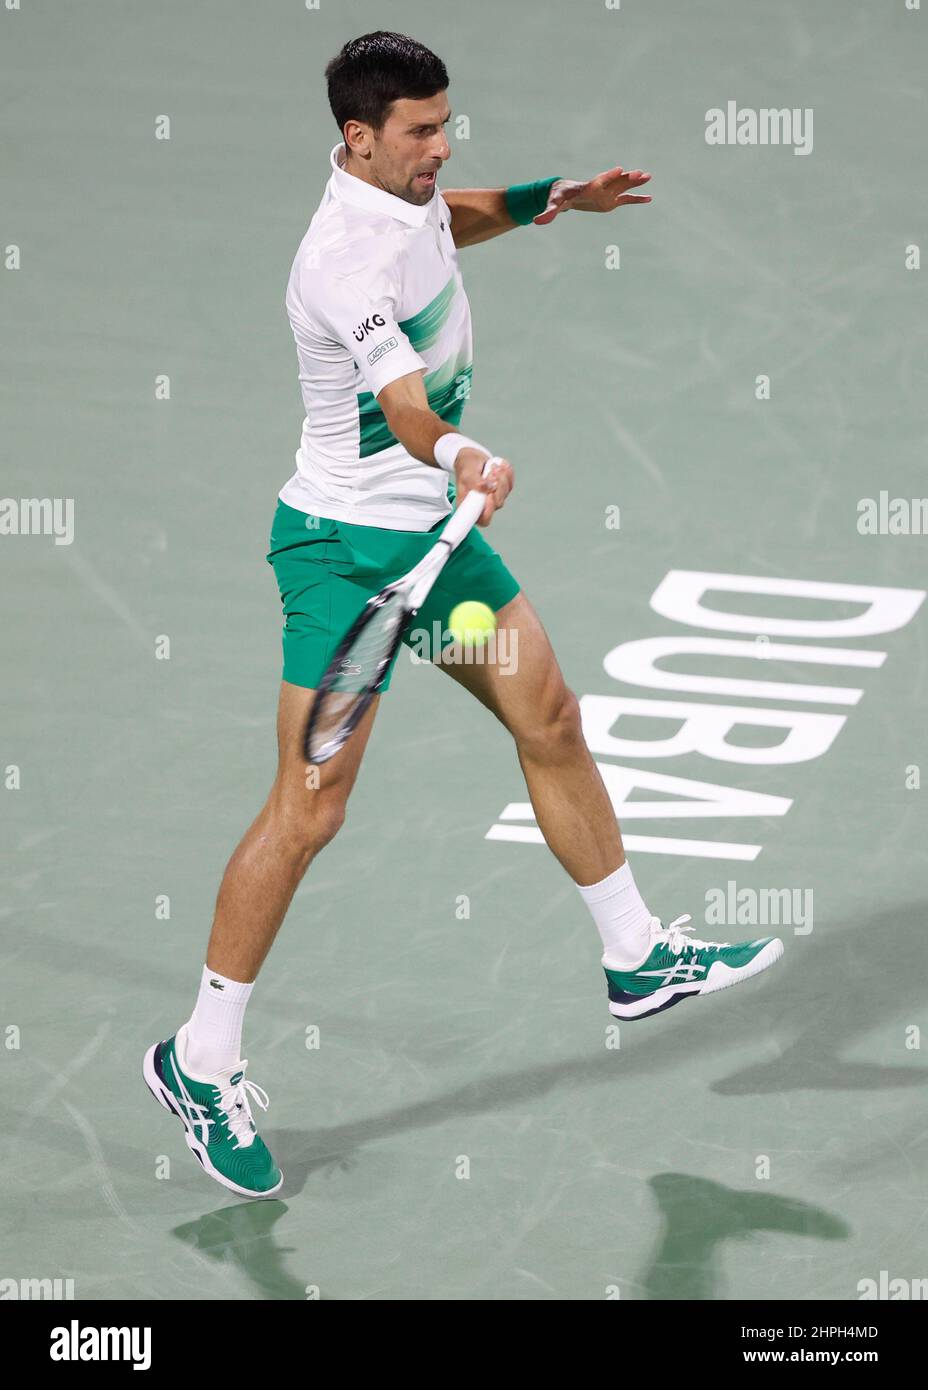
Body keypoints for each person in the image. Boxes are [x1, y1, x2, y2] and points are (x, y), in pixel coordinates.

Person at [143, 31, 783, 1199]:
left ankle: (635, 954)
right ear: (357, 136)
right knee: (309, 806)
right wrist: (467, 450)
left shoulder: (404, 196)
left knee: (551, 712)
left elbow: (452, 221)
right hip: (347, 559)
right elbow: (399, 404)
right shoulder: (339, 260)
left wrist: (551, 201)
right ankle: (200, 1056)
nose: (442, 149)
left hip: (430, 558)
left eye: (447, 126)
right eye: (421, 133)